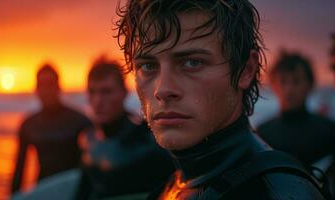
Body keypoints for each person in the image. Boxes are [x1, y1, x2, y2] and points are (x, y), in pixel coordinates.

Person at [115, 0, 327, 199]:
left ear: (246, 70)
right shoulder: (174, 185)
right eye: (148, 66)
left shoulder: (278, 190)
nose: (162, 90)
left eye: (192, 63)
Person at [74, 57, 174, 199]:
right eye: (92, 92)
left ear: (124, 92)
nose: (98, 101)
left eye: (106, 91)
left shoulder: (149, 140)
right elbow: (82, 192)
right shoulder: (86, 139)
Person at [257, 52, 335, 196]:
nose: (289, 89)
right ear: (273, 85)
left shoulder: (329, 131)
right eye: (283, 81)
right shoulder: (263, 133)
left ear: (310, 84)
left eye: (296, 81)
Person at [11, 64, 92, 193]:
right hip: (43, 191)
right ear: (36, 90)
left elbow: (93, 167)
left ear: (59, 87)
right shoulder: (28, 126)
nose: (46, 90)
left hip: (74, 192)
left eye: (50, 85)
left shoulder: (80, 121)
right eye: (42, 85)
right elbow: (19, 171)